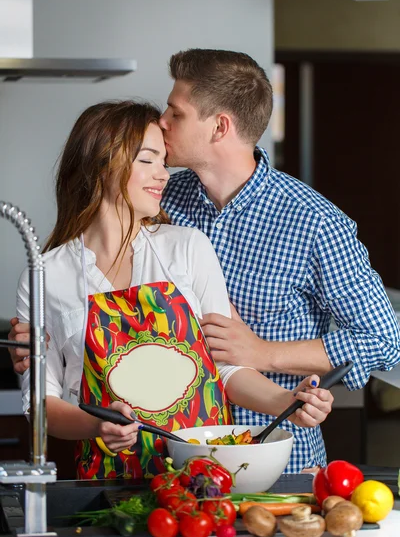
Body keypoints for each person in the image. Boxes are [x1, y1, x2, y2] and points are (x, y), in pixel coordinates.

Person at [12, 100, 333, 480]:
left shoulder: (187, 248)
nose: (163, 175)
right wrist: (97, 425)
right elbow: (41, 404)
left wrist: (288, 402)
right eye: (148, 160)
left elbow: (226, 368)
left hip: (203, 476)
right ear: (102, 163)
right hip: (111, 484)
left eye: (164, 161)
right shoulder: (47, 275)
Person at [157, 48, 400, 473]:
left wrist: (264, 353)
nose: (161, 122)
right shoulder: (160, 200)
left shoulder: (314, 222)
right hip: (173, 458)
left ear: (220, 126)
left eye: (175, 114)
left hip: (277, 463)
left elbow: (383, 340)